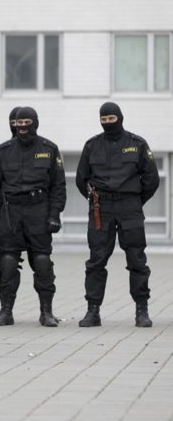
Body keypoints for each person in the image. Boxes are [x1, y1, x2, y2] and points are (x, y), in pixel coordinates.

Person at [75, 102, 159, 328]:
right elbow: (81, 179)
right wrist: (95, 199)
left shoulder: (137, 144)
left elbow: (151, 179)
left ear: (120, 118)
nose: (108, 123)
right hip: (101, 208)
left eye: (111, 119)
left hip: (129, 207)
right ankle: (93, 311)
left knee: (137, 259)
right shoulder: (92, 145)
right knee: (96, 260)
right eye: (104, 119)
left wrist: (135, 201)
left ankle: (142, 310)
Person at [0, 106, 66, 327]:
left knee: (42, 261)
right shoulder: (3, 151)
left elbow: (58, 186)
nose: (23, 128)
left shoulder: (49, 149)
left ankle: (46, 312)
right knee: (7, 262)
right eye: (19, 124)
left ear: (35, 123)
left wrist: (55, 214)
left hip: (39, 210)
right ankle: (5, 311)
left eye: (27, 124)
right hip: (11, 212)